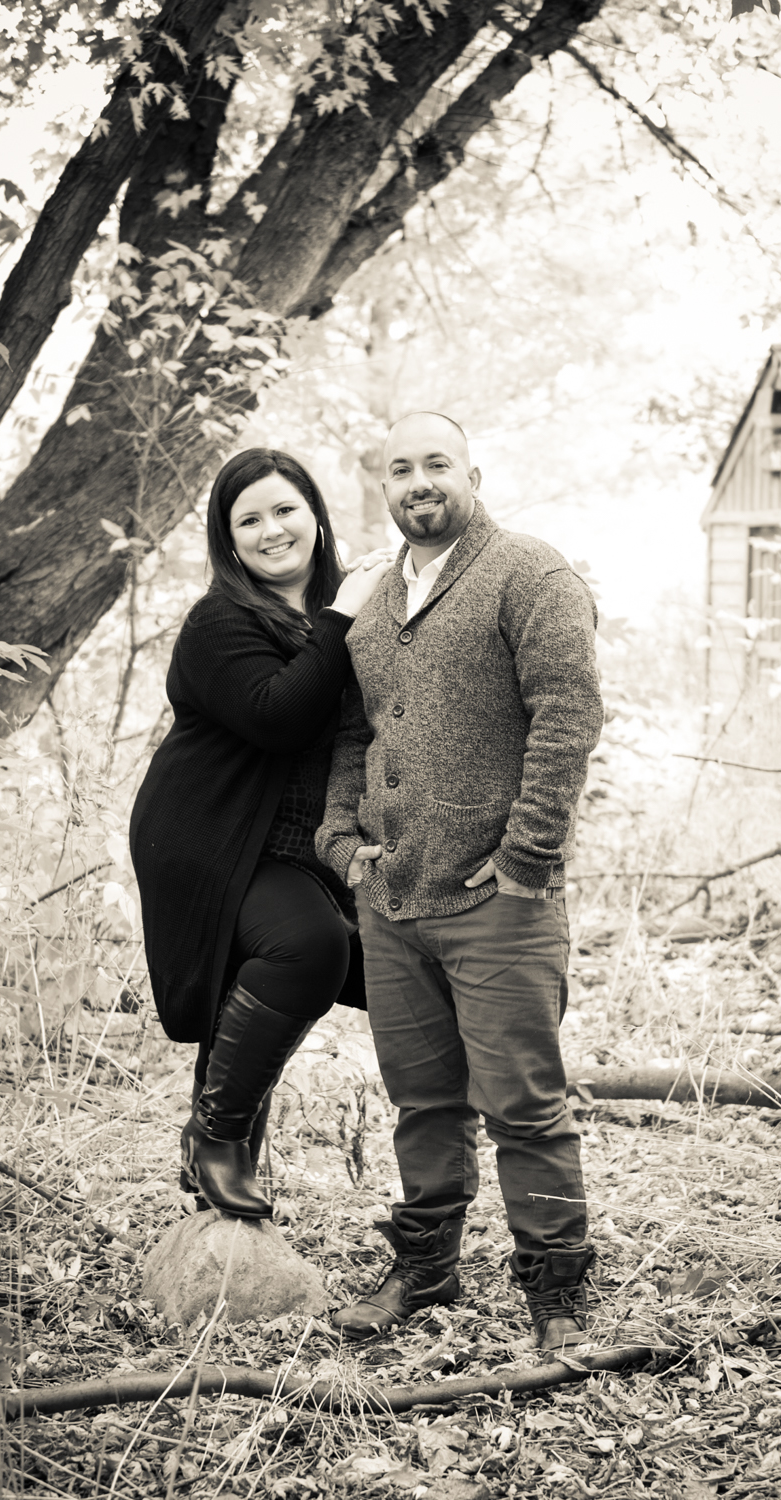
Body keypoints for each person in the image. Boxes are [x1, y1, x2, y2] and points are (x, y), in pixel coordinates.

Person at [315, 412, 605, 1351]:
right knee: (424, 1102)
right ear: (384, 488)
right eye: (399, 469)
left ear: (473, 473)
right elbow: (355, 732)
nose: (417, 481)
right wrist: (337, 833)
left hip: (498, 902)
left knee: (524, 1106)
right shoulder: (373, 597)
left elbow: (567, 713)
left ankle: (557, 1290)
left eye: (436, 463)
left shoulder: (529, 572)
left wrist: (526, 856)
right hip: (394, 901)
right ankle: (428, 1268)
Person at [130, 448, 392, 1220]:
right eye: (250, 520)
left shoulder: (353, 607)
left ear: (315, 513)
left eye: (285, 510)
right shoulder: (222, 621)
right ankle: (217, 1137)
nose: (272, 530)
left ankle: (224, 1150)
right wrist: (342, 614)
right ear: (228, 538)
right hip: (209, 838)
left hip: (304, 846)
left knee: (393, 963)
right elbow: (280, 718)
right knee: (309, 944)